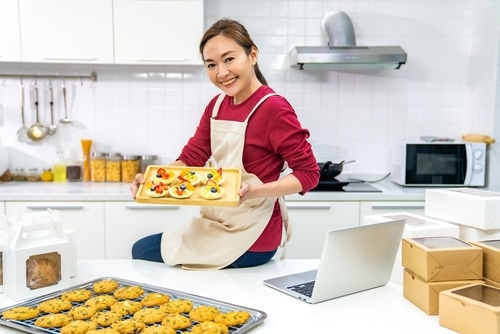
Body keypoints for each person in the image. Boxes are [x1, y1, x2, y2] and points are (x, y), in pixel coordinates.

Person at [130, 18, 319, 270]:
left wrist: (254, 191)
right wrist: (154, 182)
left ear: (252, 55)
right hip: (216, 220)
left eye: (229, 59)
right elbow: (194, 155)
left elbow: (309, 174)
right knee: (141, 250)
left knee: (143, 252)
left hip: (253, 234)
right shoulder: (217, 105)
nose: (221, 73)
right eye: (211, 64)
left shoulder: (274, 108)